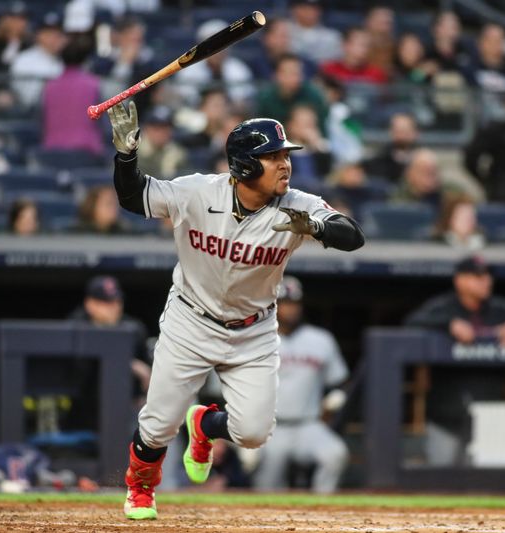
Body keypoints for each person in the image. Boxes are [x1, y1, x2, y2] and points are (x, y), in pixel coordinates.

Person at [104, 101, 364, 519]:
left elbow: (353, 237)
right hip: (190, 319)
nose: (285, 165)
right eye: (273, 157)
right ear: (244, 166)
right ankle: (140, 488)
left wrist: (314, 226)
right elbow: (134, 197)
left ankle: (205, 425)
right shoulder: (198, 192)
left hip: (253, 330)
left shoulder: (297, 203)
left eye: (286, 156)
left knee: (254, 432)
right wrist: (126, 155)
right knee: (157, 425)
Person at [404, 255, 505, 465]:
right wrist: (448, 325)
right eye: (477, 276)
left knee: (486, 484)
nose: (485, 281)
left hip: (490, 417)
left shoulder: (500, 309)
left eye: (487, 276)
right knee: (440, 482)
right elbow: (411, 323)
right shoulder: (444, 308)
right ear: (459, 280)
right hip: (446, 415)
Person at [253, 276, 350, 493]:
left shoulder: (321, 339)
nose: (291, 309)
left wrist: (333, 402)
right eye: (285, 303)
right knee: (267, 484)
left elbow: (340, 382)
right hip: (270, 427)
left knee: (335, 454)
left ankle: (322, 510)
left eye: (295, 303)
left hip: (309, 425)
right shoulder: (255, 338)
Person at [67, 276, 152, 406]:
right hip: (84, 407)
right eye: (106, 303)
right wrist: (127, 363)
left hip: (124, 406)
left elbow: (147, 371)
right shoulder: (76, 326)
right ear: (89, 304)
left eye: (117, 301)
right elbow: (81, 374)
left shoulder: (133, 329)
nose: (114, 307)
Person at [42, 40, 104, 156]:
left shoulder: (49, 86)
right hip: (87, 151)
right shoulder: (93, 84)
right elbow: (103, 122)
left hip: (52, 151)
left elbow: (41, 119)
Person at [176, 20, 254, 105]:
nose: (218, 50)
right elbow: (185, 101)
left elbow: (242, 102)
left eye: (223, 44)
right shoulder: (189, 70)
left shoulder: (239, 69)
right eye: (212, 45)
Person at [255, 54, 329, 132]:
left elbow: (322, 129)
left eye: (298, 73)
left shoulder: (313, 95)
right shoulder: (266, 98)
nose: (295, 77)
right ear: (277, 75)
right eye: (290, 73)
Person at [10, 12, 66, 108]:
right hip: (33, 114)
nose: (55, 37)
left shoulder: (69, 60)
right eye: (48, 33)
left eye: (58, 33)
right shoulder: (23, 60)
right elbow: (25, 98)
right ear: (38, 35)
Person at [463, 23, 505, 95]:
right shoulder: (469, 66)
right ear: (481, 43)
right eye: (492, 40)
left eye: (500, 40)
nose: (496, 45)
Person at [246, 18, 316, 81]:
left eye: (287, 36)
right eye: (281, 36)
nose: (285, 41)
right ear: (266, 38)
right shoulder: (254, 66)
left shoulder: (305, 64)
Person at [136, 106, 190, 180]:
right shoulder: (135, 150)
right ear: (146, 129)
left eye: (165, 128)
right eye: (156, 128)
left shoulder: (178, 153)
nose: (161, 133)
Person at [320, 27, 388, 85]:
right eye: (361, 44)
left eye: (368, 45)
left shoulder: (376, 73)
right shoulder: (329, 70)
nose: (365, 49)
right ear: (345, 45)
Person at [364, 113, 419, 182]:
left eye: (405, 130)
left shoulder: (423, 162)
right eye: (398, 130)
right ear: (391, 132)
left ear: (415, 132)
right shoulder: (378, 161)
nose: (402, 135)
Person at [289, 0, 343, 65]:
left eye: (314, 8)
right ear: (294, 9)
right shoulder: (284, 31)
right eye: (305, 7)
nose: (310, 11)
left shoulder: (333, 37)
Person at [364, 5, 396, 75]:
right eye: (380, 23)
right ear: (369, 22)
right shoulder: (356, 46)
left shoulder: (396, 48)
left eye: (388, 23)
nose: (384, 28)